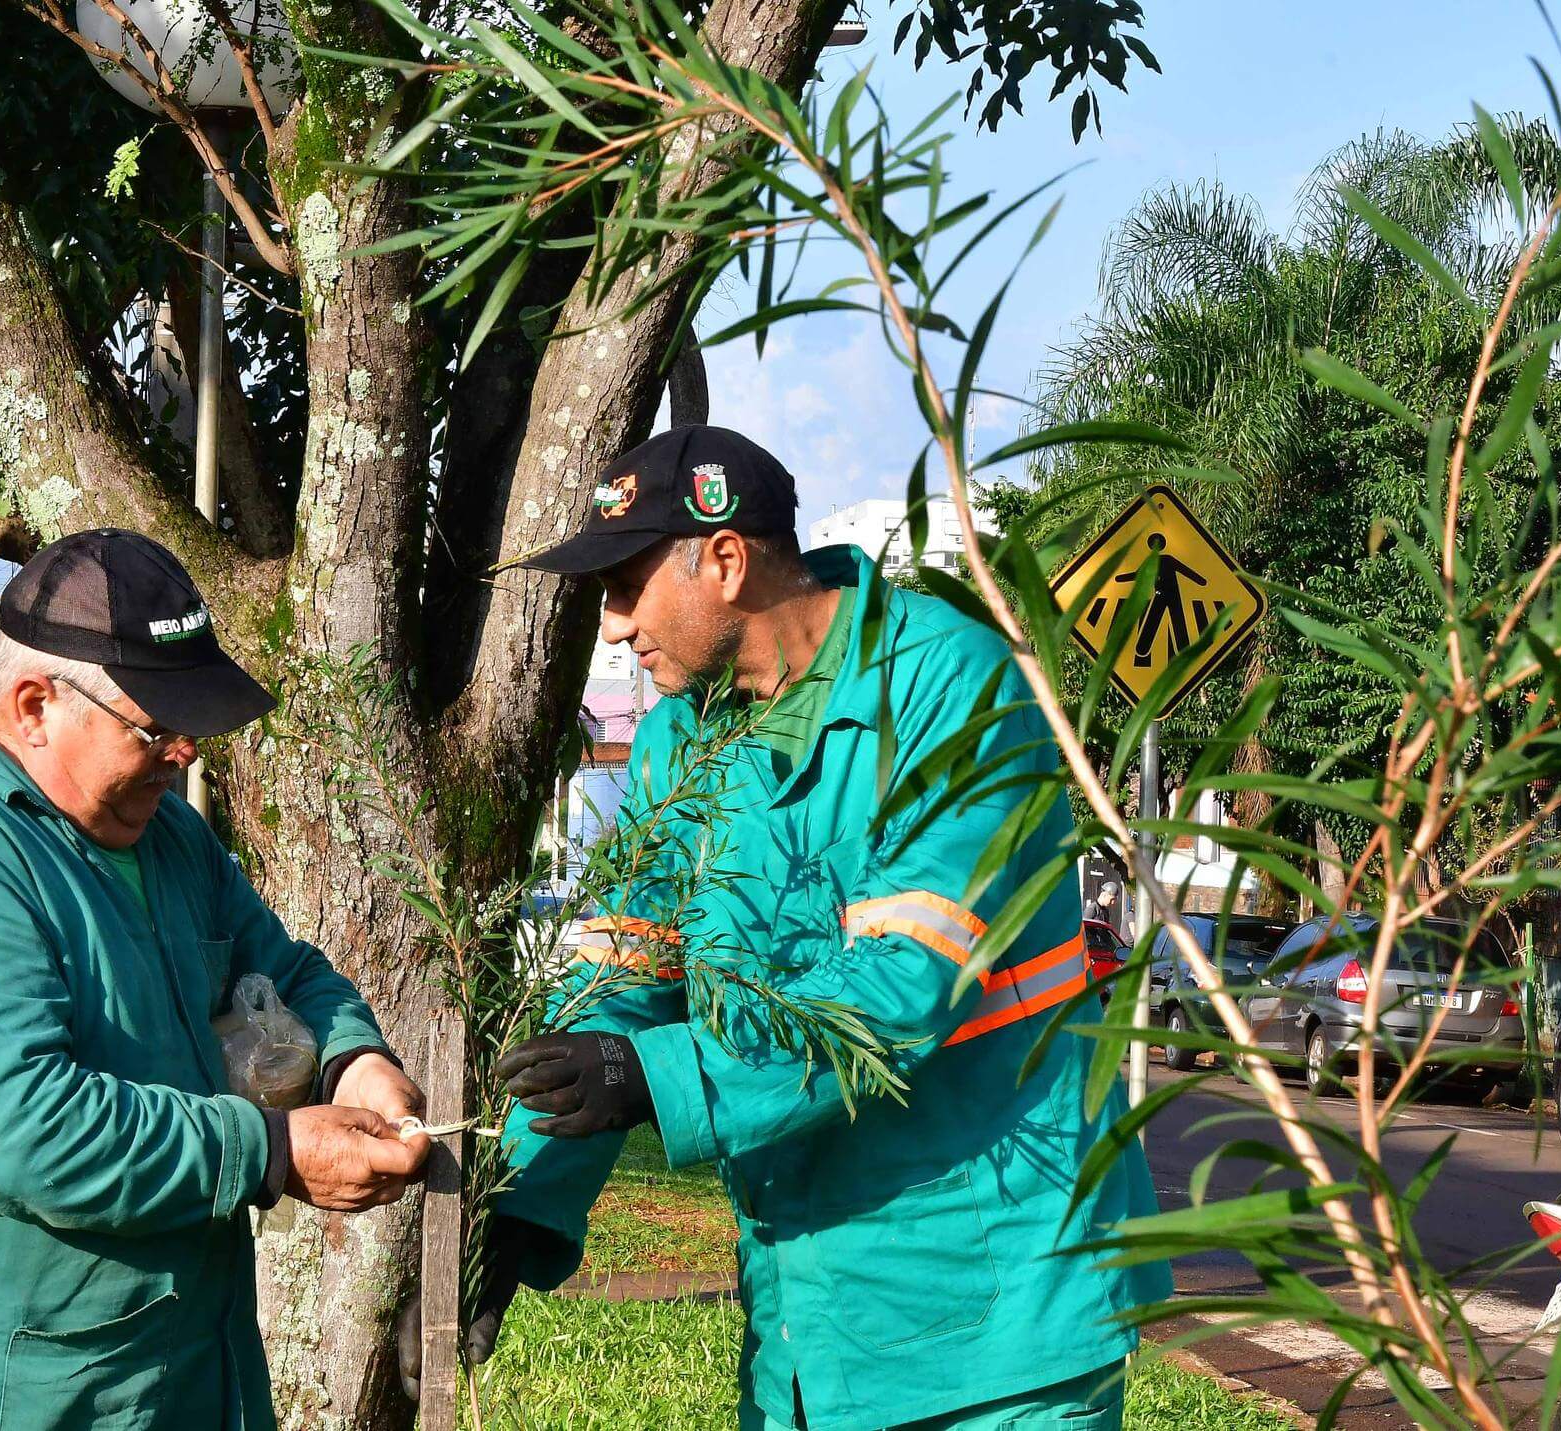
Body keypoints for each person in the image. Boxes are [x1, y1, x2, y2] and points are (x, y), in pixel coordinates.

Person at [429, 428, 1171, 1430]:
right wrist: (518, 1209)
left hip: (997, 1315)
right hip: (808, 1324)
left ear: (726, 561)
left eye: (627, 587)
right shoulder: (679, 738)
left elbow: (899, 987)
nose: (612, 626)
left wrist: (658, 1077)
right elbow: (621, 982)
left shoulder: (949, 688)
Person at [0, 530, 428, 1430]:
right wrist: (269, 1150)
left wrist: (352, 1060)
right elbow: (22, 1128)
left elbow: (282, 971)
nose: (185, 754)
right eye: (156, 728)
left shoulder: (168, 837)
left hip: (151, 1378)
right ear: (35, 705)